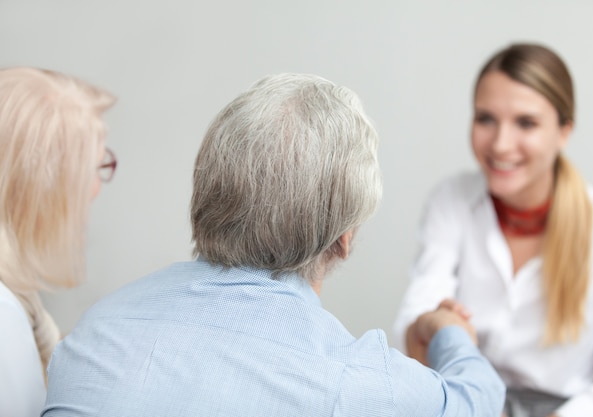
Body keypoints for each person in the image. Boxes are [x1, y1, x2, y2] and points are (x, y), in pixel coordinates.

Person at [43, 73, 505, 416]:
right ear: (344, 238)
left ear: (208, 192)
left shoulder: (96, 331)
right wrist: (449, 332)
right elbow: (477, 400)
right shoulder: (355, 383)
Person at [394, 43, 593, 417]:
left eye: (526, 123)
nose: (500, 144)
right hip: (465, 401)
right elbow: (415, 319)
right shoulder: (450, 200)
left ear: (564, 131)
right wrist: (430, 323)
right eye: (485, 118)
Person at [0, 67, 116, 417]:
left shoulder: (18, 300)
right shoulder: (5, 325)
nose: (97, 189)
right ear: (45, 188)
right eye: (95, 169)